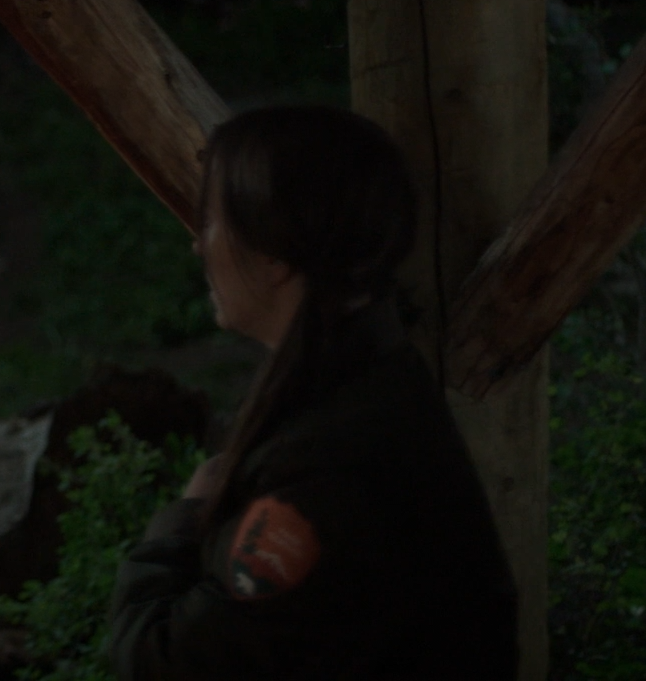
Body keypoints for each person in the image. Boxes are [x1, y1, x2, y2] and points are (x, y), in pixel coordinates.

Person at [105, 106, 519, 678]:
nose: (199, 246)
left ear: (274, 255)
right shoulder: (373, 378)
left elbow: (165, 659)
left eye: (212, 222)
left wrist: (182, 521)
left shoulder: (322, 471)